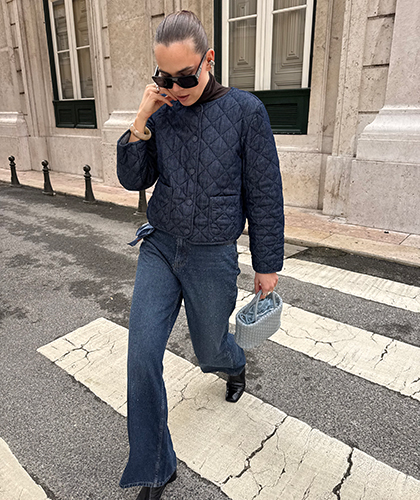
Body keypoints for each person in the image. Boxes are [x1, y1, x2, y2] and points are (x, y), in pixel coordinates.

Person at [116, 10, 284, 500]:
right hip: (161, 246)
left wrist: (267, 264)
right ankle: (156, 468)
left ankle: (233, 364)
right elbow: (133, 179)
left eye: (185, 76)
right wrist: (142, 118)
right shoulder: (162, 111)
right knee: (141, 355)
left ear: (209, 60)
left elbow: (264, 192)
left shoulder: (246, 112)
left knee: (210, 351)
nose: (175, 87)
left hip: (213, 255)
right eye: (164, 77)